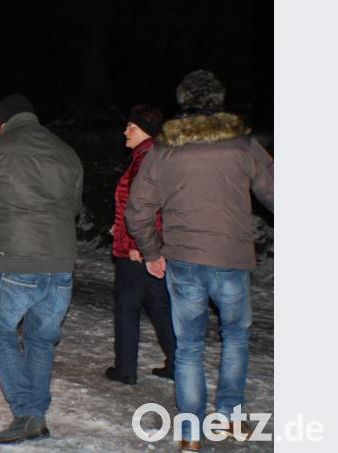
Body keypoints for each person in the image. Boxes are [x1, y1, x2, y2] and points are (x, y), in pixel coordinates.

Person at [126, 70, 274, 452]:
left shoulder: (164, 150)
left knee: (189, 346)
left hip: (183, 261)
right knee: (235, 337)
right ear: (218, 102)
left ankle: (190, 432)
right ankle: (229, 417)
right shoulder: (243, 145)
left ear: (184, 103)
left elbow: (138, 209)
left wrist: (152, 251)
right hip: (231, 259)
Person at [0, 94, 83, 444]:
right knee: (41, 339)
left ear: (4, 120)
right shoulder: (66, 152)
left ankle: (26, 411)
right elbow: (74, 207)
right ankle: (36, 417)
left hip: (16, 258)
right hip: (61, 263)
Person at [105, 105, 176, 385]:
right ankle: (177, 363)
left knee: (127, 306)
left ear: (145, 130)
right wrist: (120, 227)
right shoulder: (150, 156)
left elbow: (147, 207)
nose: (125, 131)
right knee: (159, 307)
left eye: (131, 127)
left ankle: (125, 369)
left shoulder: (145, 159)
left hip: (137, 250)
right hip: (149, 247)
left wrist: (136, 243)